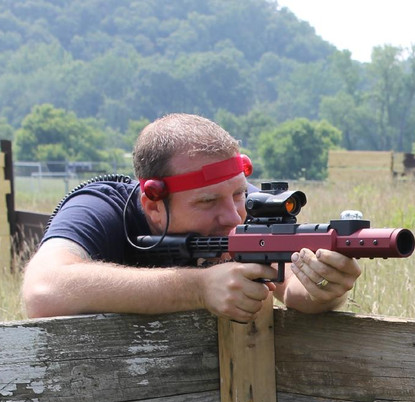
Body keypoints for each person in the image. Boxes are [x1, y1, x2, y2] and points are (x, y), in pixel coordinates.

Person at [20, 113, 360, 322]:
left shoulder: (247, 206)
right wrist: (198, 288)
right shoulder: (100, 208)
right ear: (153, 204)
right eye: (207, 201)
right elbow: (42, 290)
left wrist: (325, 288)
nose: (233, 216)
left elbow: (294, 290)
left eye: (239, 193)